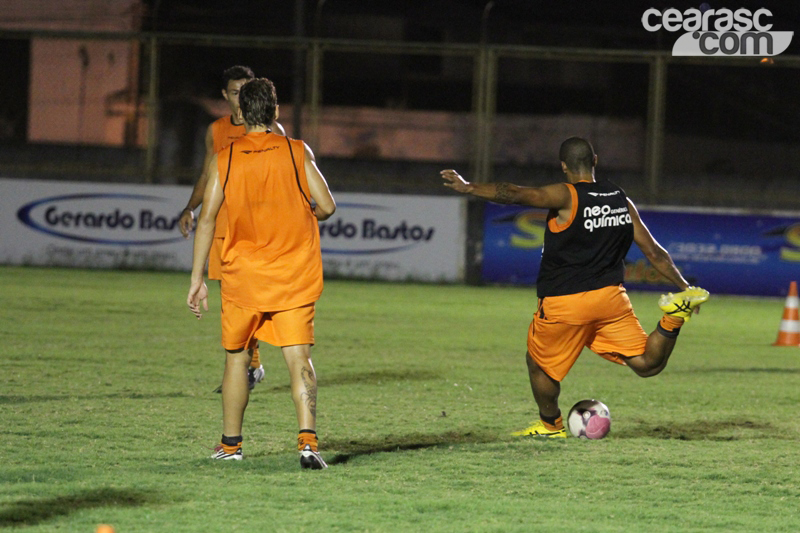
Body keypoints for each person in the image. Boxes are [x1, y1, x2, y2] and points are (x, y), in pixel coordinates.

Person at [441, 137, 709, 438]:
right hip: (611, 301)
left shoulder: (567, 196)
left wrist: (469, 187)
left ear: (563, 166)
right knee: (647, 364)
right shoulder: (620, 199)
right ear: (595, 160)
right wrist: (684, 287)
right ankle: (674, 316)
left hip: (565, 304)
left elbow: (516, 194)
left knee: (538, 364)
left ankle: (551, 427)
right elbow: (655, 253)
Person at [187, 77, 336, 468]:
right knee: (298, 358)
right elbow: (328, 206)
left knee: (236, 358)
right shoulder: (296, 151)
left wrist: (197, 278)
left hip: (244, 277)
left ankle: (231, 446)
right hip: (293, 274)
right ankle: (308, 444)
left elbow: (207, 220)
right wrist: (309, 213)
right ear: (275, 111)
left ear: (240, 112)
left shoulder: (227, 157)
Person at [179, 65, 286, 391]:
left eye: (246, 91)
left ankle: (251, 367)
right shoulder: (217, 131)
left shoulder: (273, 131)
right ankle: (250, 367)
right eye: (235, 92)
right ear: (225, 96)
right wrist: (189, 207)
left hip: (256, 231)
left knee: (250, 303)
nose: (241, 98)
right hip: (224, 226)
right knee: (233, 303)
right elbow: (206, 176)